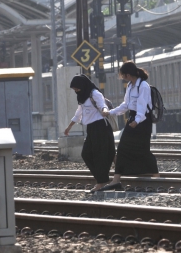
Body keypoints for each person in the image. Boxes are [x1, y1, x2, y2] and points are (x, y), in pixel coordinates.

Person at [100, 61, 159, 191]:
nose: (122, 77)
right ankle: (116, 180)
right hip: (133, 119)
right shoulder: (130, 86)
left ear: (128, 74)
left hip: (142, 121)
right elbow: (126, 105)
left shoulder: (143, 86)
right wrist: (110, 112)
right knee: (122, 149)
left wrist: (137, 121)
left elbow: (142, 107)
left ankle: (156, 176)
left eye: (123, 75)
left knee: (143, 150)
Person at [64, 74, 115, 193]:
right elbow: (78, 114)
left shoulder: (94, 94)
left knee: (99, 156)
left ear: (82, 85)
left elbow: (102, 106)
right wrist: (69, 127)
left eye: (76, 88)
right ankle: (103, 179)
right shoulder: (82, 97)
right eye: (74, 89)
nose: (76, 91)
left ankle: (101, 182)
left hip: (100, 126)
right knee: (86, 154)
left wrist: (105, 111)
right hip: (91, 128)